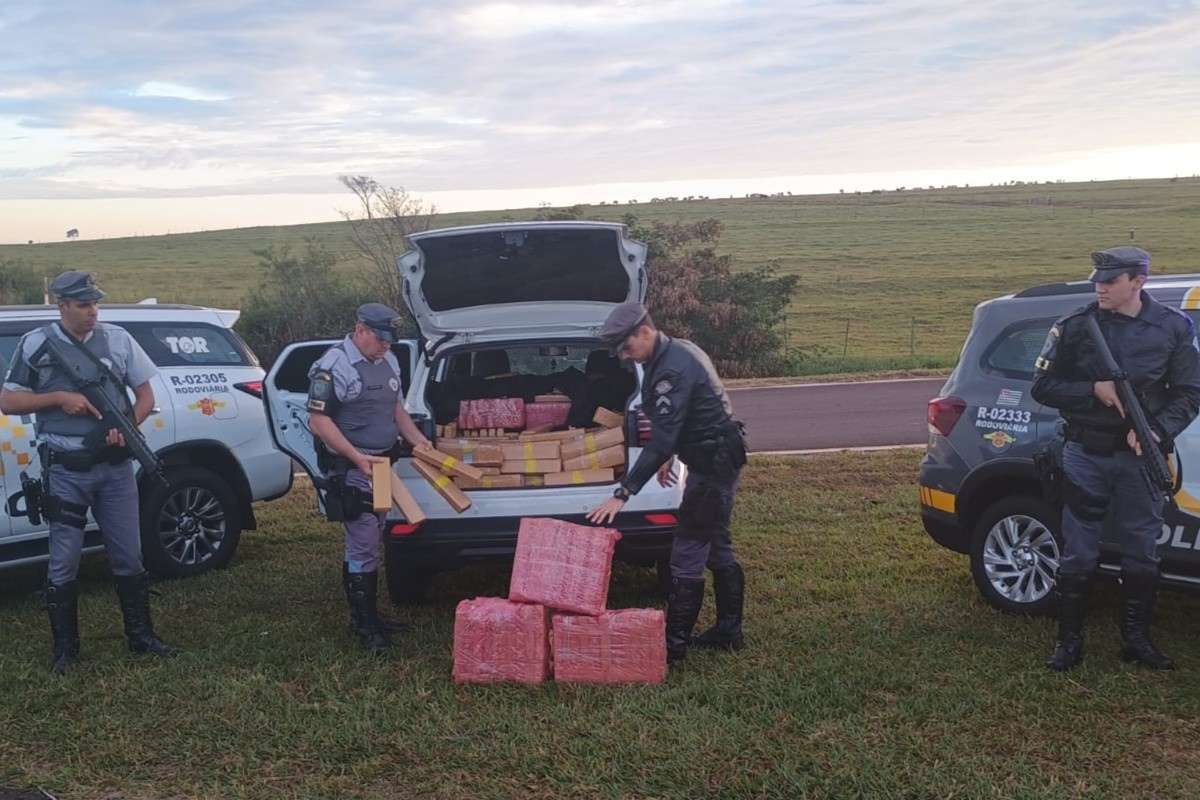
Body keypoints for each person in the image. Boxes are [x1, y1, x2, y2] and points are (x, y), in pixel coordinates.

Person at [1032, 246, 1200, 671]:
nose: (1100, 288)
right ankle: (1069, 643)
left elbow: (1189, 392)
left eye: (1110, 281)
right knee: (1079, 553)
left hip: (1140, 458)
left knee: (1142, 551)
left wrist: (1156, 430)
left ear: (1138, 282)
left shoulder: (1172, 327)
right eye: (1097, 281)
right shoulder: (1076, 326)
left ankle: (1136, 640)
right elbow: (1042, 386)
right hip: (1084, 453)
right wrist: (1092, 390)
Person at [0, 271, 177, 674]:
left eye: (95, 303)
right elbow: (8, 402)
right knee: (64, 561)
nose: (92, 311)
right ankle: (66, 651)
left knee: (129, 554)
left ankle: (142, 637)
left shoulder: (118, 339)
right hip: (66, 470)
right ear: (62, 306)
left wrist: (126, 428)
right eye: (83, 305)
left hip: (115, 468)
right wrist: (58, 398)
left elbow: (145, 394)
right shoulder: (36, 343)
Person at [587, 302, 748, 663]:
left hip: (712, 465)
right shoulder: (677, 350)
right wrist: (671, 457)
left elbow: (662, 438)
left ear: (644, 331)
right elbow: (690, 416)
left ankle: (673, 648)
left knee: (687, 552)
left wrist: (623, 493)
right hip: (715, 456)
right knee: (717, 543)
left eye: (626, 347)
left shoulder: (671, 369)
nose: (624, 356)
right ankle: (729, 631)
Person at [307, 303, 430, 654]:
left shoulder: (388, 360)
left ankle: (369, 616)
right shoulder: (334, 366)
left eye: (390, 341)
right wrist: (355, 457)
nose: (386, 346)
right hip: (353, 466)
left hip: (381, 464)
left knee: (374, 533)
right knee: (362, 537)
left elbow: (396, 409)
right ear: (360, 330)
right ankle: (365, 625)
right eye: (380, 339)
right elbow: (319, 421)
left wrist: (418, 442)